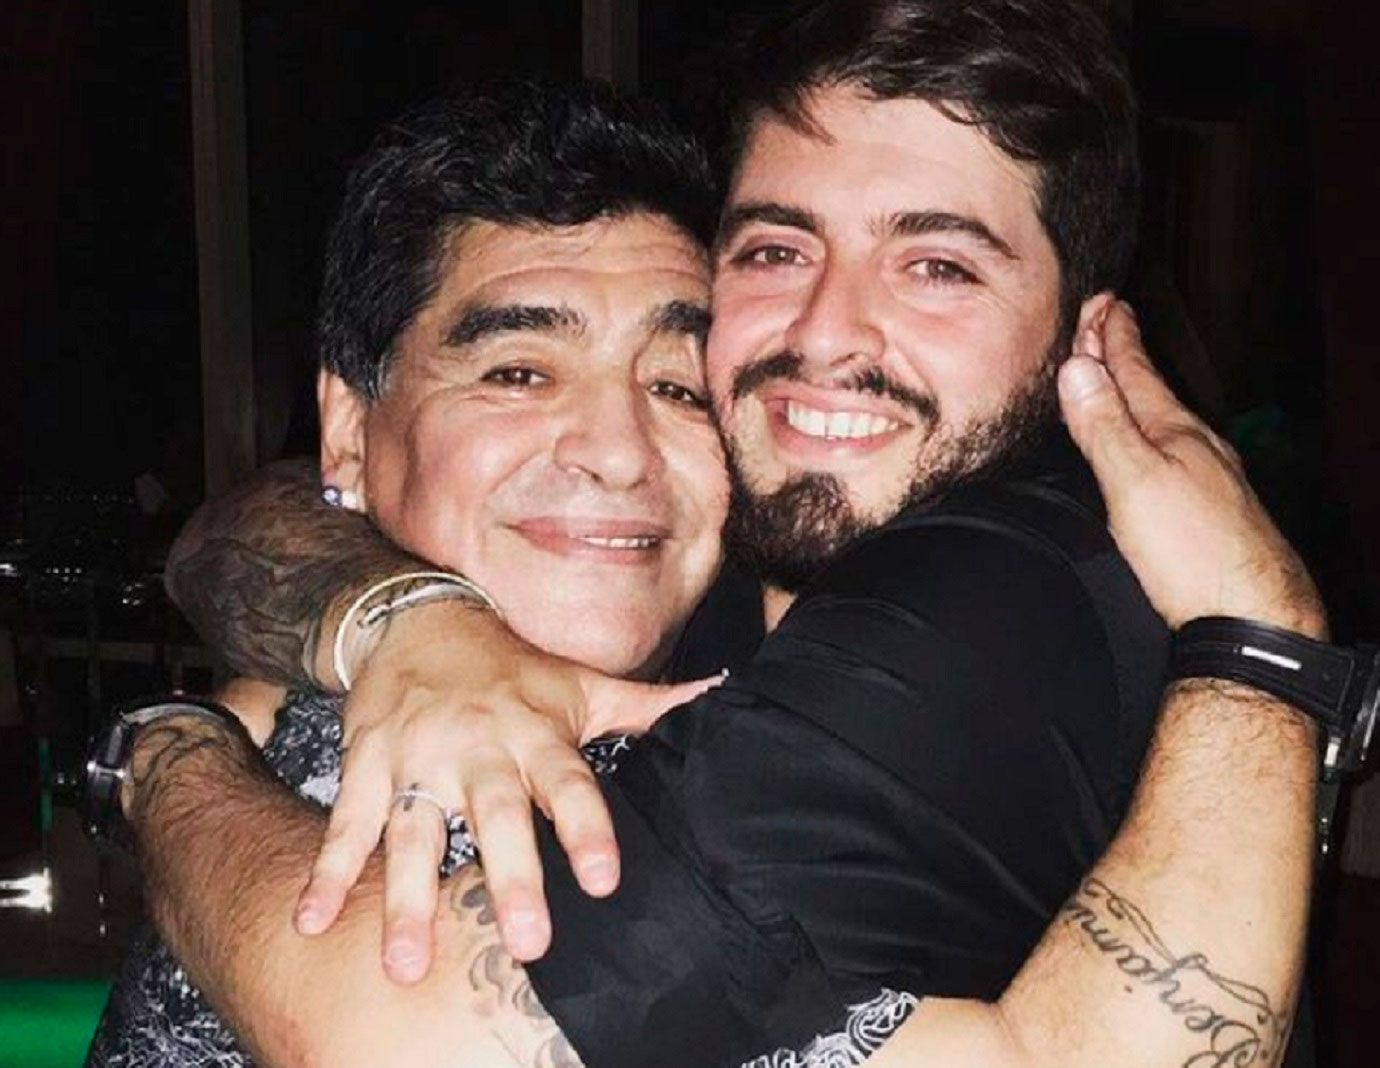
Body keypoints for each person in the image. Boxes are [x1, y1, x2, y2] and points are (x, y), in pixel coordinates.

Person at [130, 2, 1323, 1066]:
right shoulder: (717, 553)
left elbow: (401, 1044)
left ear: (1084, 339)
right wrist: (400, 619)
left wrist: (163, 757)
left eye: (937, 265)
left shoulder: (997, 601)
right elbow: (250, 522)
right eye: (776, 249)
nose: (827, 329)